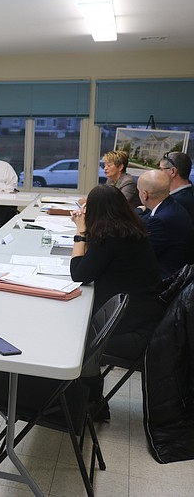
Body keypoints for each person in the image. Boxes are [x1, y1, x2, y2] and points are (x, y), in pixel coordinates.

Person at [70, 185, 166, 421]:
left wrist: (80, 233)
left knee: (75, 343)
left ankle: (91, 404)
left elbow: (79, 274)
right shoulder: (128, 230)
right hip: (145, 317)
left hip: (133, 331)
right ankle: (88, 400)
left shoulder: (110, 238)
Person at [136, 169, 194, 278]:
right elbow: (146, 219)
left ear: (145, 195)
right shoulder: (170, 204)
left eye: (138, 190)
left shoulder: (160, 221)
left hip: (164, 281)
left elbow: (140, 254)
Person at [160, 151, 194, 222]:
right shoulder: (189, 193)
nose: (159, 173)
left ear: (173, 171)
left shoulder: (174, 202)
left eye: (161, 169)